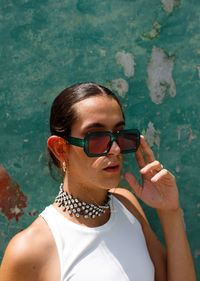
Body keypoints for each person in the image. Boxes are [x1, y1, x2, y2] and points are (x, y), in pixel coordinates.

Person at [0, 82, 197, 281]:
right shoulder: (28, 250)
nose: (116, 150)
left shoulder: (127, 205)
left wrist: (169, 211)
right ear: (60, 149)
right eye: (97, 137)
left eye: (119, 135)